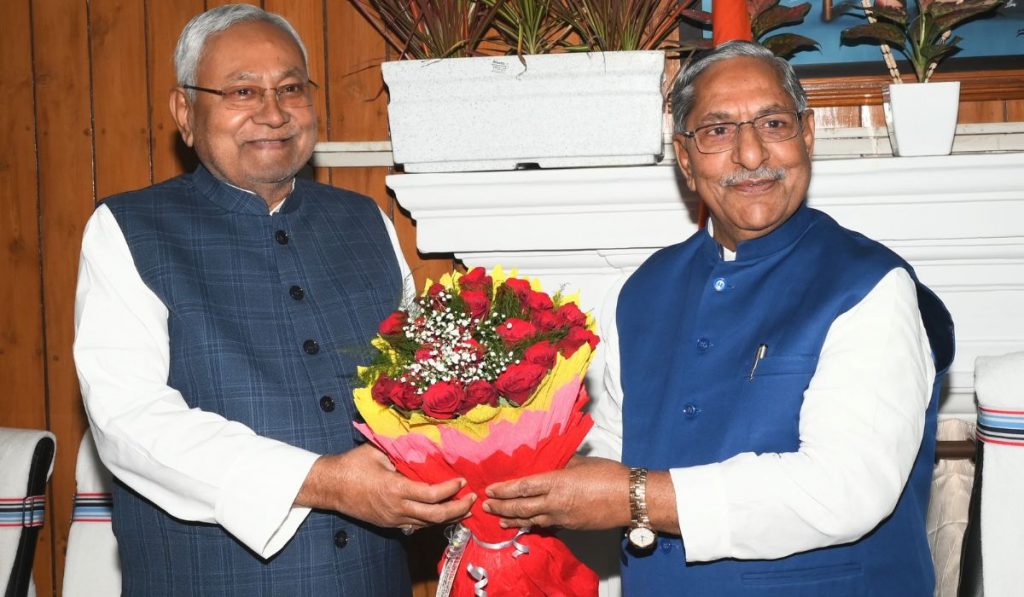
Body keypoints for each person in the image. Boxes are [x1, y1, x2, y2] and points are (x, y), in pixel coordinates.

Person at [484, 40, 955, 596]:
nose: (751, 155)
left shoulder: (871, 286)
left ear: (807, 135)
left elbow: (844, 488)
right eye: (717, 130)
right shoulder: (637, 292)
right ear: (685, 159)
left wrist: (633, 497)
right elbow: (614, 439)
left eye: (773, 123)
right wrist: (517, 474)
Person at [73, 5, 474, 595]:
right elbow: (129, 420)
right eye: (242, 91)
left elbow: (416, 386)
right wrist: (324, 482)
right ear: (185, 112)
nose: (274, 112)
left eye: (291, 88)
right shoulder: (128, 229)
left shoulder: (367, 221)